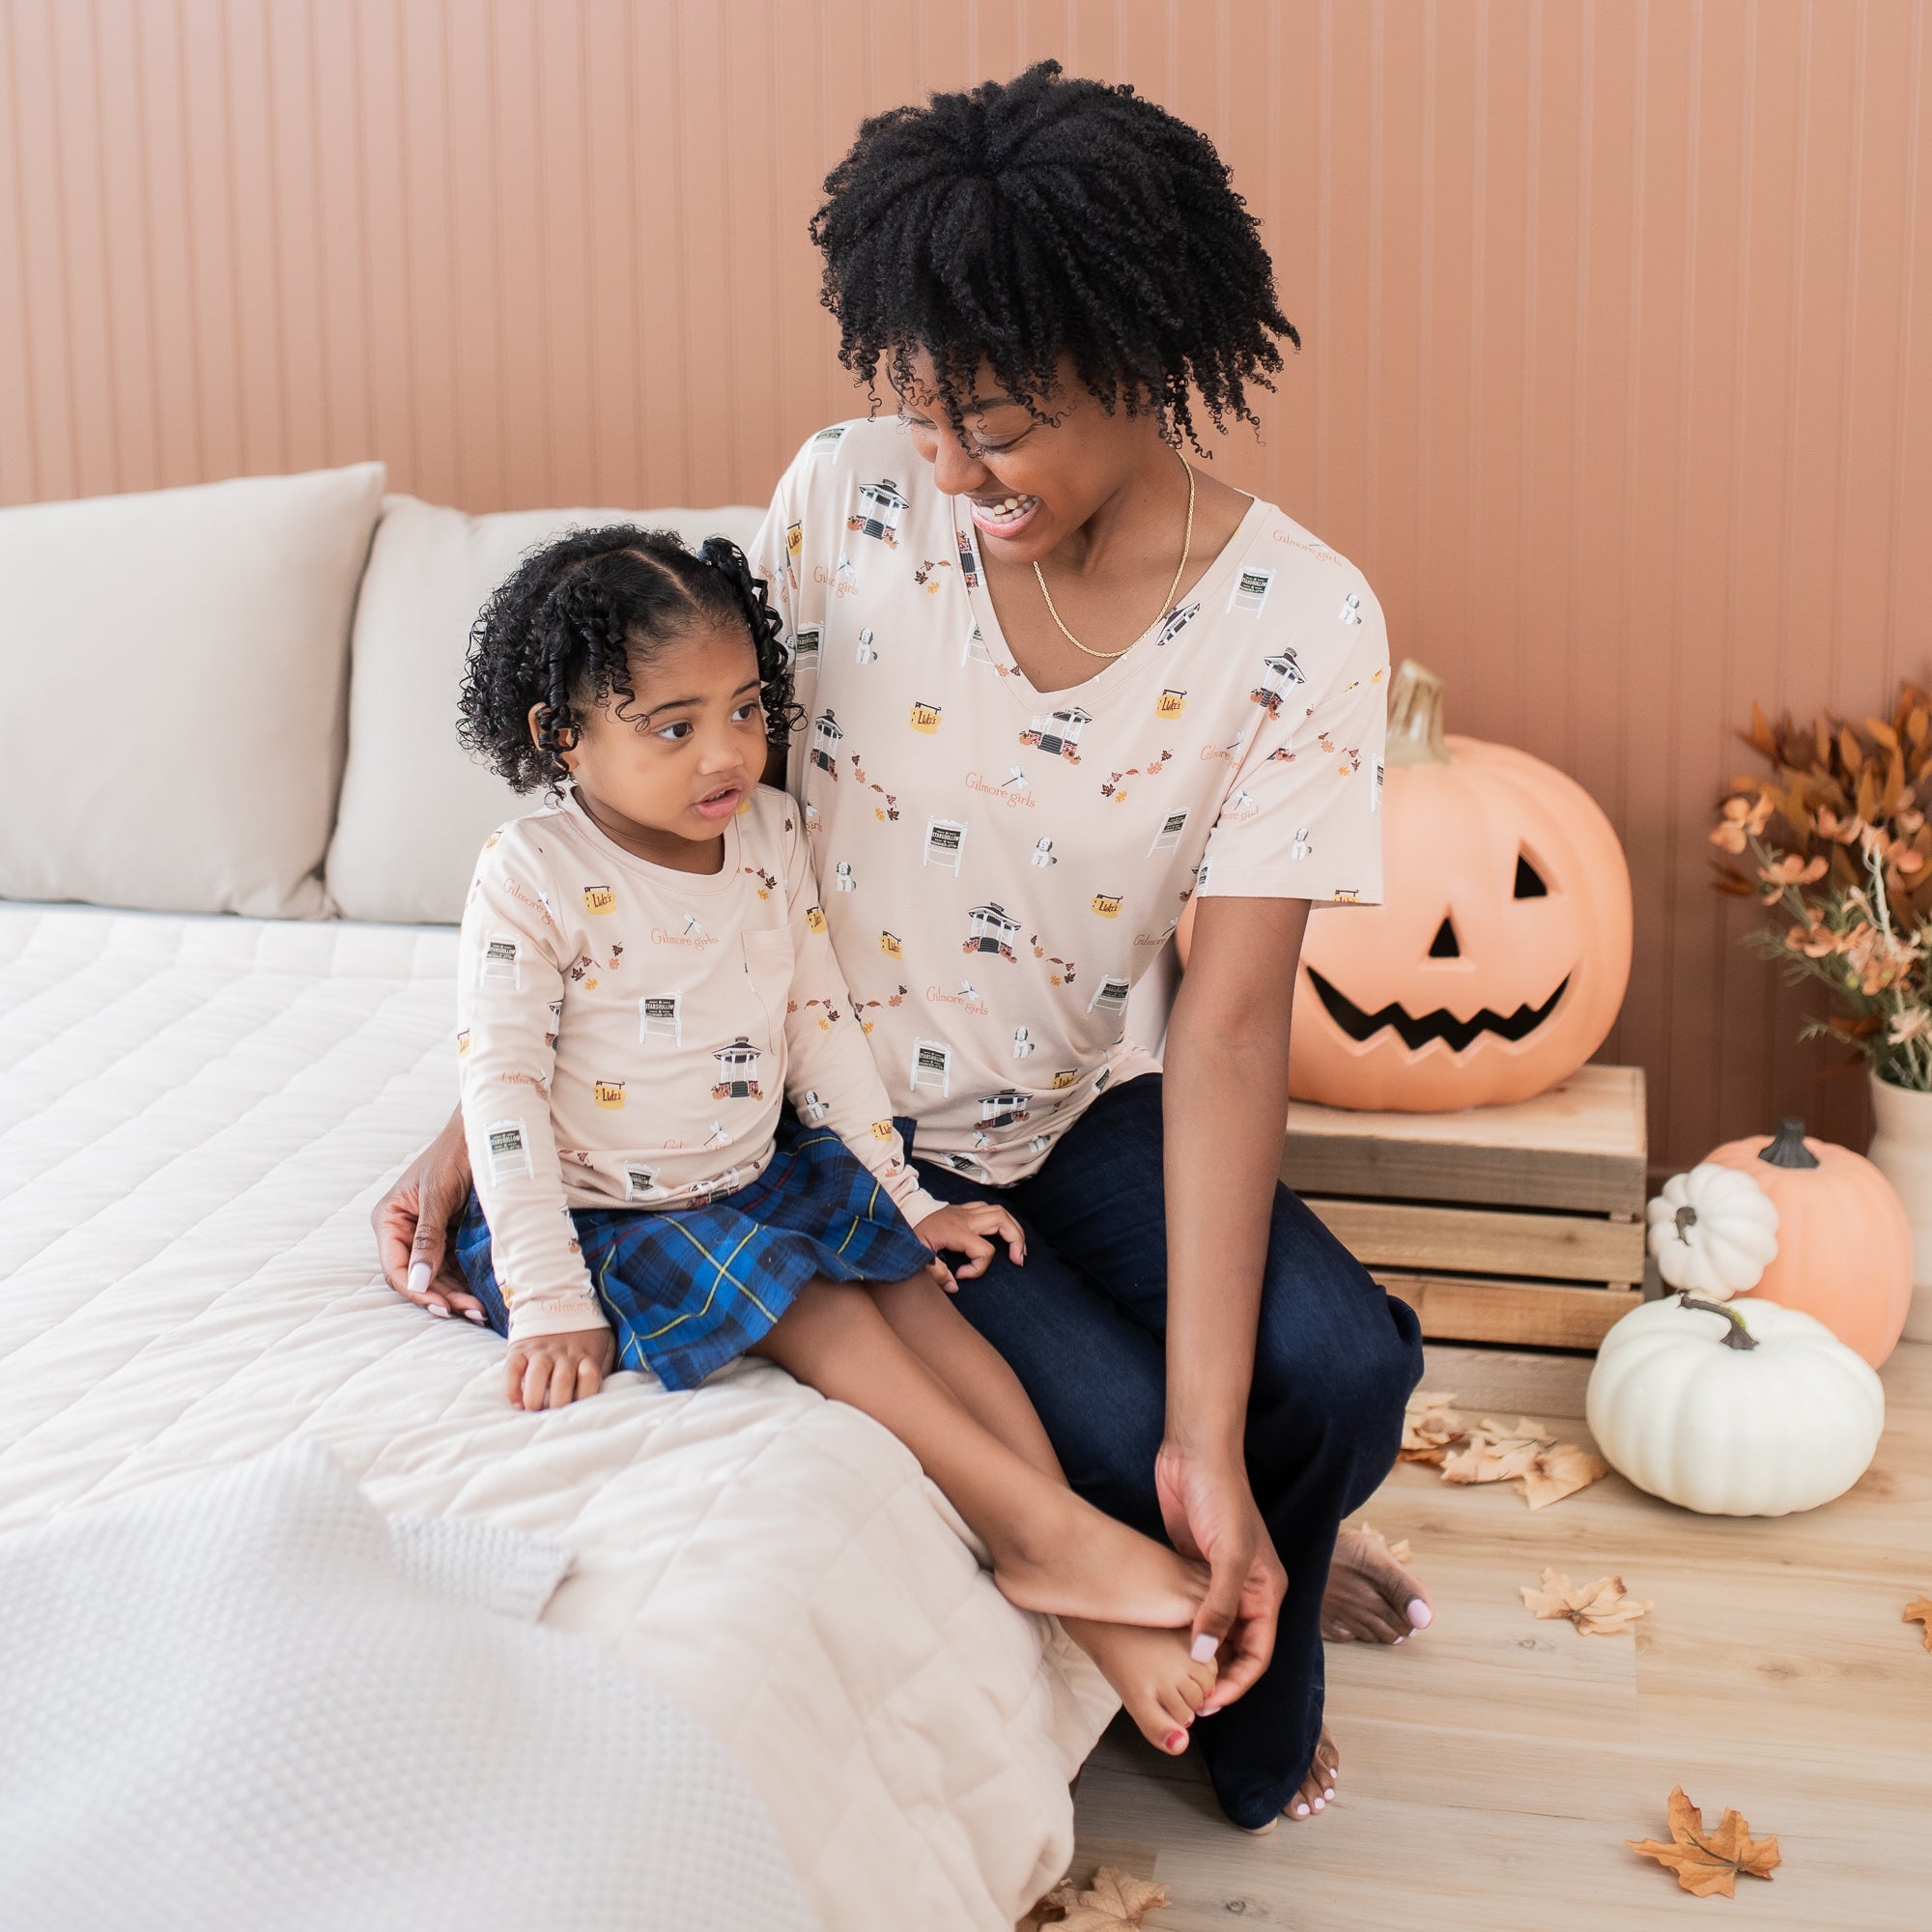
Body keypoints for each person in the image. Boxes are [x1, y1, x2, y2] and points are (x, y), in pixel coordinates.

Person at [377, 63, 1429, 1833]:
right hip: (827, 1117)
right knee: (1167, 1587)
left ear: (1139, 348)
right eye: (919, 411)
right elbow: (673, 812)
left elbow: (1238, 1029)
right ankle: (1246, 1607)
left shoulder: (1297, 621)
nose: (949, 469)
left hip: (1075, 1109)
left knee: (1337, 1369)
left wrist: (1208, 1436)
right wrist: (486, 1119)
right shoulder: (849, 499)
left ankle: (1266, 1515)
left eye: (995, 423)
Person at [442, 523, 1223, 1748]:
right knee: (825, 1309)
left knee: (915, 1292)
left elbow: (818, 1024)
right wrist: (545, 1295)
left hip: (752, 1175)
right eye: (672, 724)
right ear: (560, 735)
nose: (726, 752)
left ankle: (1051, 1542)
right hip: (608, 1216)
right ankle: (1041, 1533)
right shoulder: (529, 871)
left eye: (746, 709)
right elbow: (498, 1088)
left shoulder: (762, 830)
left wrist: (907, 1204)